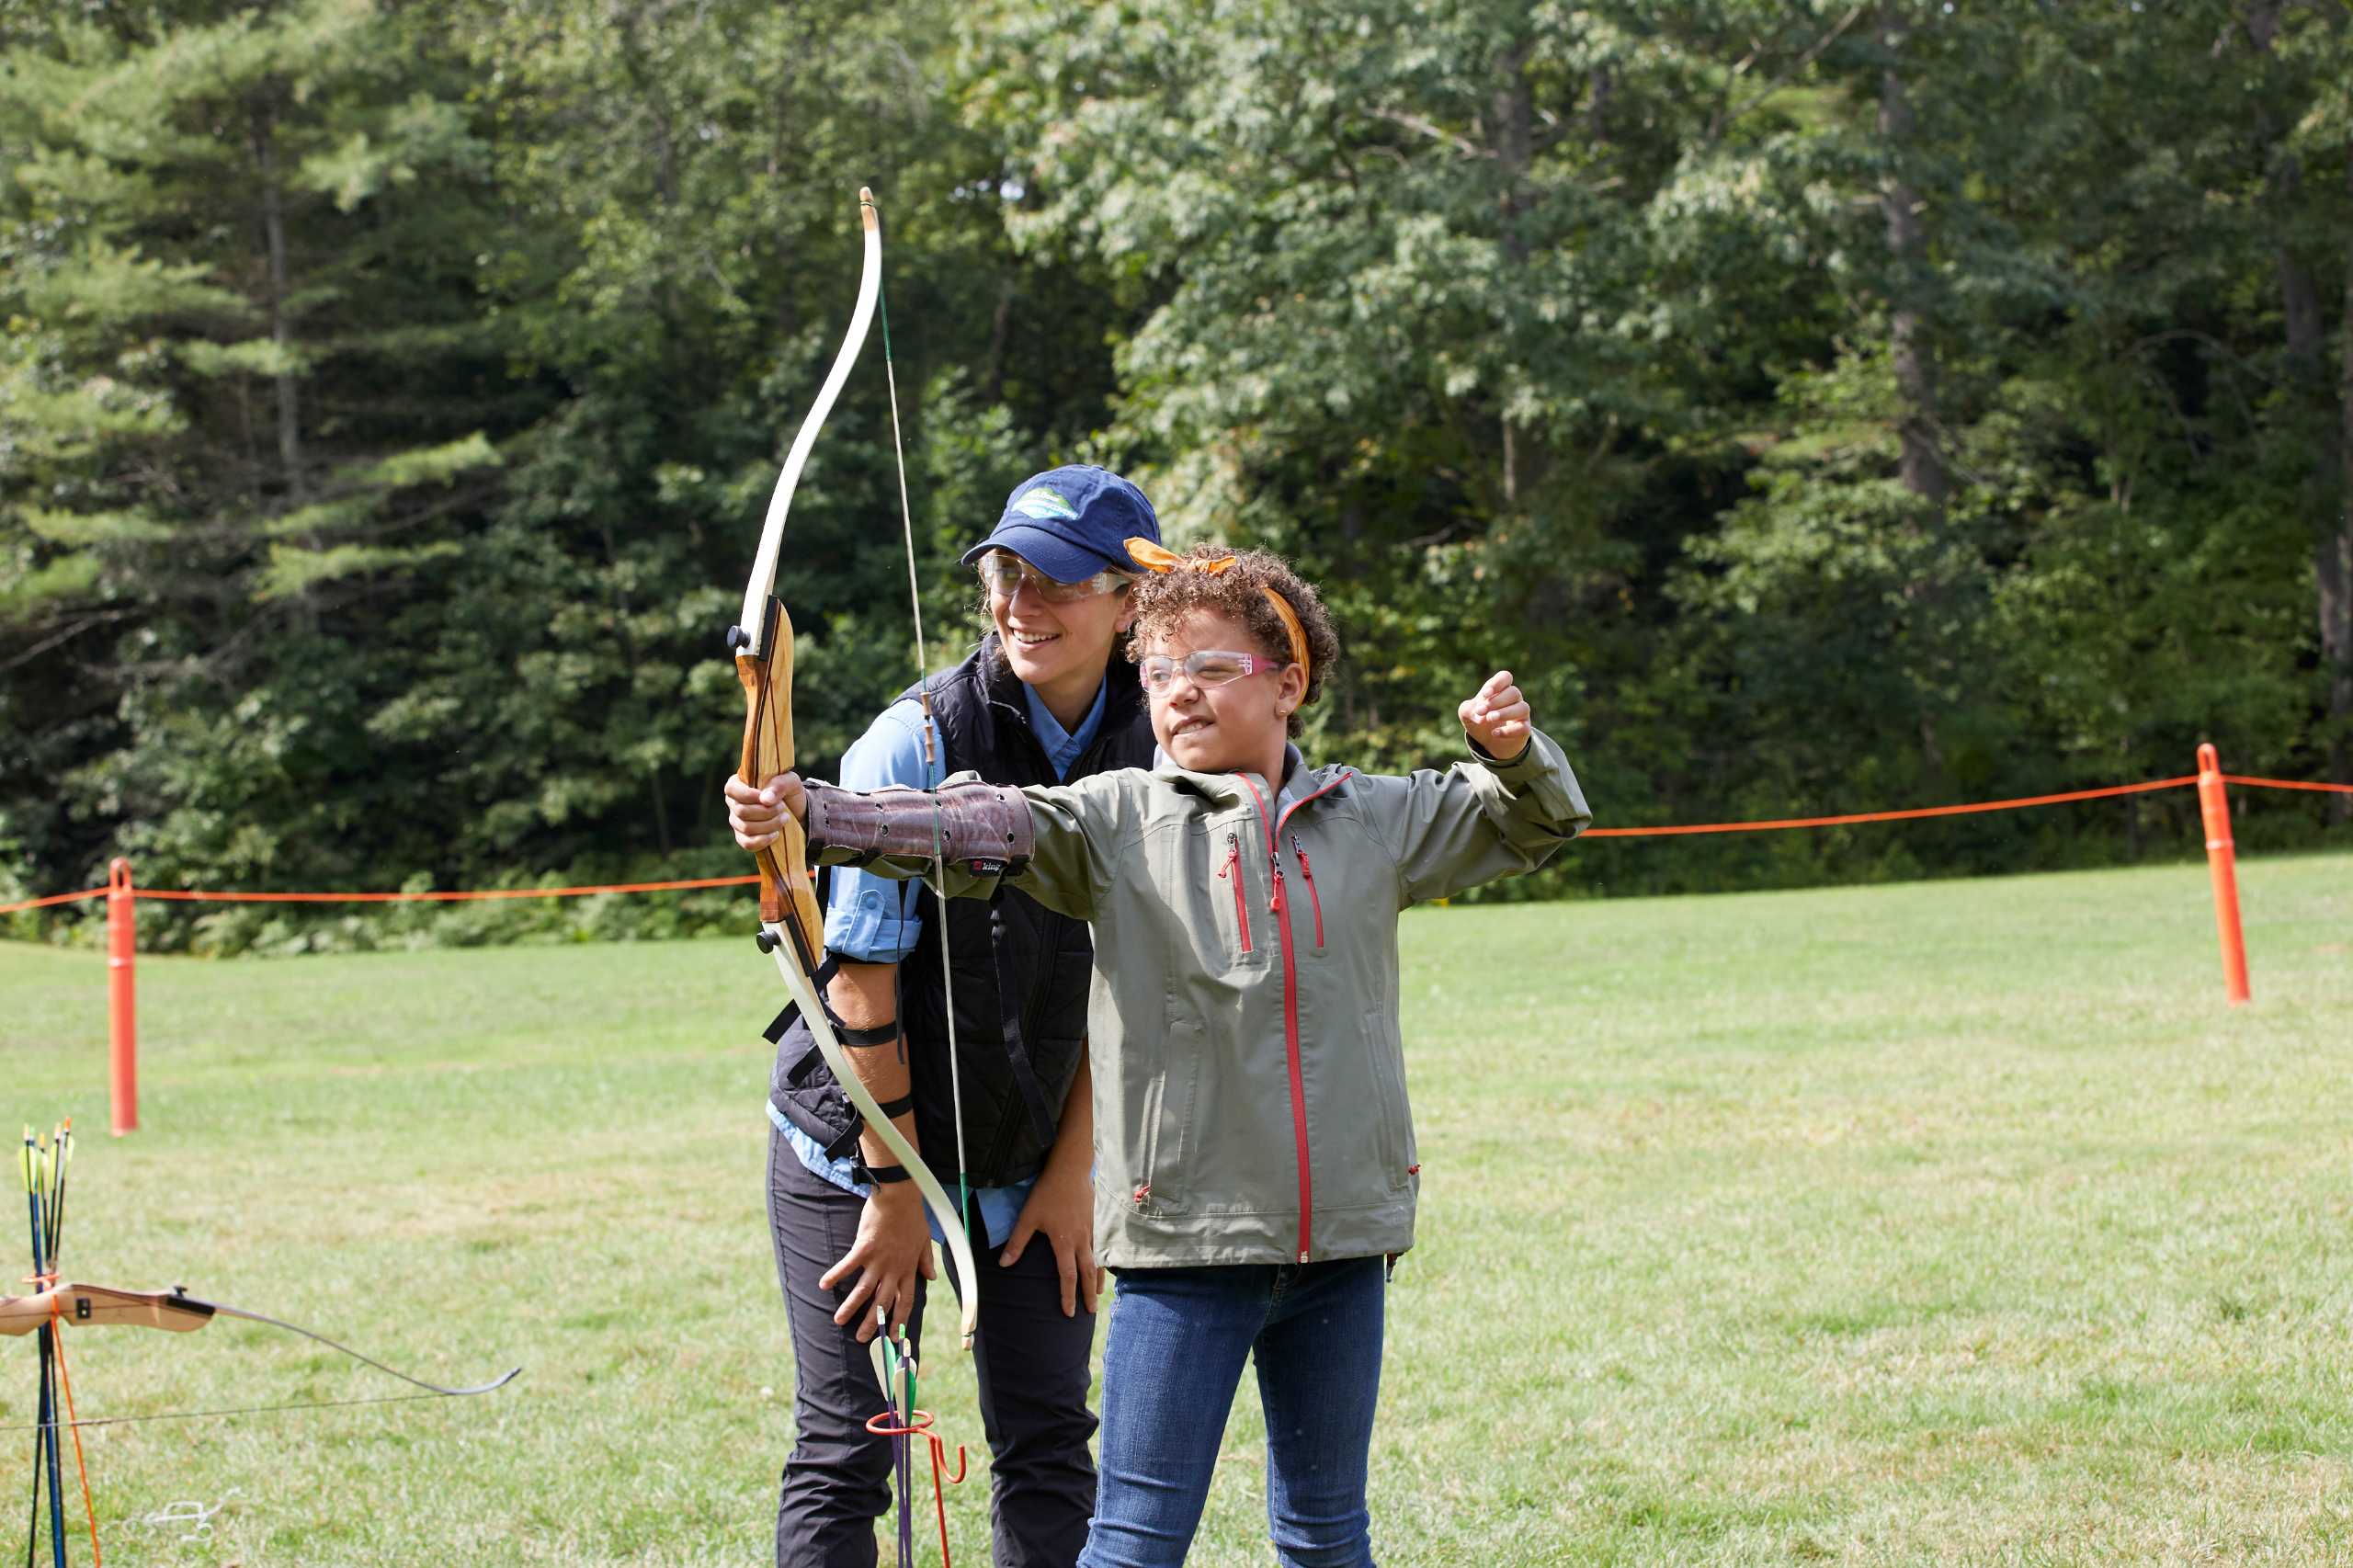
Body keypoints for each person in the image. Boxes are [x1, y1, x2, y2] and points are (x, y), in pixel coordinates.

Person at [735, 540, 1591, 1567]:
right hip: (1186, 1250)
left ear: (1288, 684)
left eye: (1210, 668)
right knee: (1135, 1543)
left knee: (1328, 1536)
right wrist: (821, 815)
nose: (1174, 693)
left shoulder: (1371, 817)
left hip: (1344, 1247)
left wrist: (1510, 750)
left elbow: (1537, 818)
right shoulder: (1117, 816)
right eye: (1156, 672)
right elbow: (986, 824)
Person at [732, 466, 1162, 1568]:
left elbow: (1133, 985)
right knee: (847, 1449)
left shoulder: (1164, 750)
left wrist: (1076, 1171)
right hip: (857, 1149)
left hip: (1036, 1147)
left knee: (1051, 1442)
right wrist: (896, 1193)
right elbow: (859, 985)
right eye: (1006, 573)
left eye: (1058, 579)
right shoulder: (911, 741)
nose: (1022, 601)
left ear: (1129, 603)